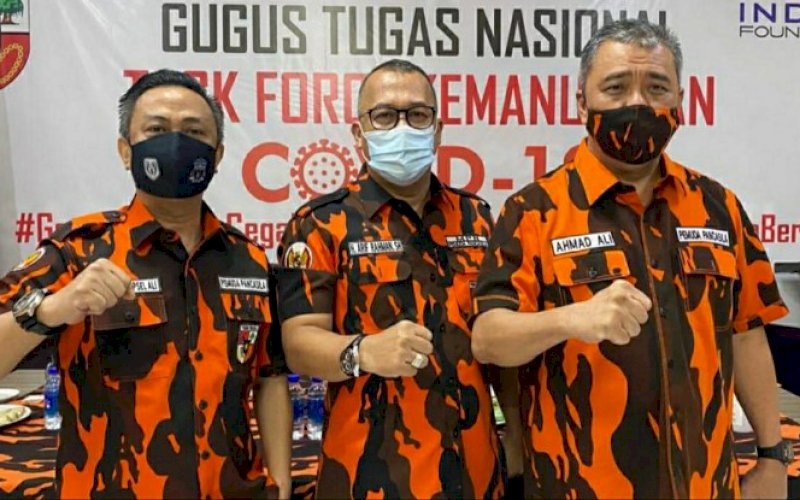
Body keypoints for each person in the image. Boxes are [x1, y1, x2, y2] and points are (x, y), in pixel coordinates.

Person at [471, 19, 791, 499]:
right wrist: (568, 319)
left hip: (703, 485)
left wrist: (771, 454)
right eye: (616, 87)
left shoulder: (718, 206)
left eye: (656, 87)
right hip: (578, 486)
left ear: (680, 100)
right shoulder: (533, 211)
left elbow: (746, 334)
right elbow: (488, 340)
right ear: (582, 102)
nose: (637, 104)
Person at [0, 69, 291, 499]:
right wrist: (50, 309)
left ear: (217, 155)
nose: (176, 142)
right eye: (156, 129)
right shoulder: (80, 250)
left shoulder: (248, 259)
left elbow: (270, 377)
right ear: (126, 150)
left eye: (194, 131)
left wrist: (281, 482)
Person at [275, 59, 508, 498]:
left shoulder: (476, 218)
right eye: (384, 115)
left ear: (437, 130)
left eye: (417, 114)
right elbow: (299, 344)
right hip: (368, 476)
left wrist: (515, 444)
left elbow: (498, 342)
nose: (402, 127)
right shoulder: (321, 223)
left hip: (475, 473)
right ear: (359, 133)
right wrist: (362, 352)